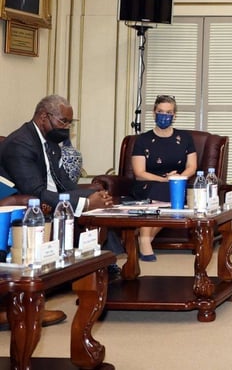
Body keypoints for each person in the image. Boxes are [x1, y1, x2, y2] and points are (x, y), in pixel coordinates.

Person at [0, 94, 117, 330]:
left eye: (69, 123)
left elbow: (65, 183)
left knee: (99, 200)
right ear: (44, 117)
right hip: (23, 204)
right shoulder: (19, 143)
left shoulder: (50, 141)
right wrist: (84, 203)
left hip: (47, 197)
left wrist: (90, 195)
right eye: (63, 122)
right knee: (88, 204)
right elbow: (34, 191)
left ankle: (103, 267)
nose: (66, 128)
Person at [130, 95, 197, 261]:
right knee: (162, 190)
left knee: (172, 191)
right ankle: (145, 242)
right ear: (154, 113)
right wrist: (164, 180)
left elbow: (192, 166)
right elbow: (139, 172)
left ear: (174, 115)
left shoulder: (185, 138)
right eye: (160, 112)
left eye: (168, 112)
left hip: (177, 182)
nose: (164, 116)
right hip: (148, 184)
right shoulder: (142, 140)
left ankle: (145, 238)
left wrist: (178, 179)